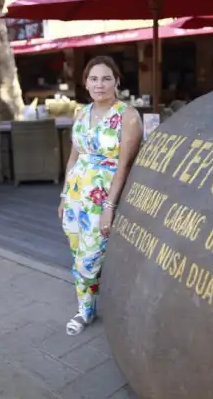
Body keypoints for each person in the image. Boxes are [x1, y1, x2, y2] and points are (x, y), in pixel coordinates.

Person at [58, 55, 143, 336]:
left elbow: (124, 165)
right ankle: (89, 306)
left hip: (100, 199)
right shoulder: (81, 113)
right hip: (74, 197)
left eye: (106, 78)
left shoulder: (127, 116)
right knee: (77, 253)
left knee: (90, 258)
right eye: (93, 79)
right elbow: (73, 158)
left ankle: (85, 312)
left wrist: (110, 205)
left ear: (117, 81)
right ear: (85, 83)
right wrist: (63, 197)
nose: (100, 84)